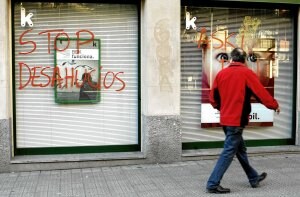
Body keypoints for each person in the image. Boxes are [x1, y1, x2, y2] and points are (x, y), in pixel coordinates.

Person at [206, 48, 280, 194]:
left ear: (232, 59)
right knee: (228, 152)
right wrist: (274, 105)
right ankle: (212, 183)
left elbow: (212, 97)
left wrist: (221, 108)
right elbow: (261, 93)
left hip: (226, 119)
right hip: (237, 121)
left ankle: (253, 178)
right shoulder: (246, 73)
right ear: (244, 59)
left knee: (240, 150)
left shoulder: (222, 73)